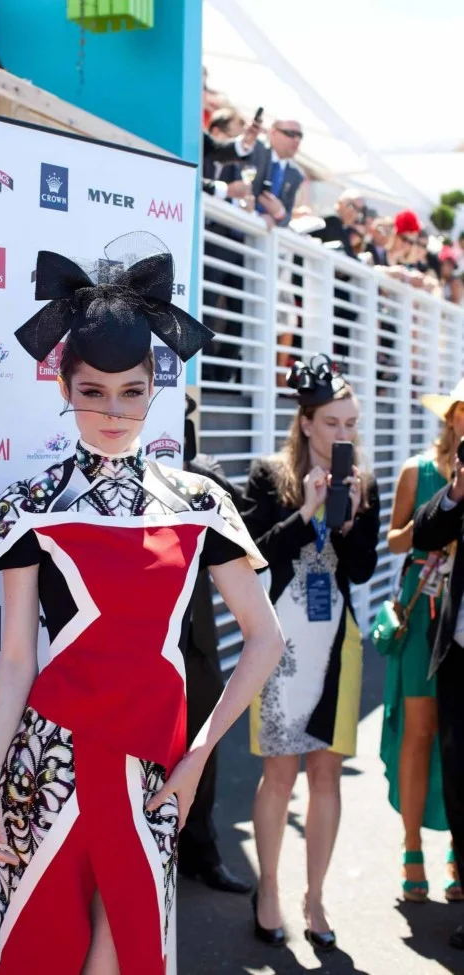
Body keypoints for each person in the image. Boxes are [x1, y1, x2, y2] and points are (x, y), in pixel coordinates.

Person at [0, 233, 284, 974]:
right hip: (49, 767)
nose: (114, 411)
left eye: (132, 391)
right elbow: (16, 660)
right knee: (49, 954)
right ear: (63, 388)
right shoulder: (29, 505)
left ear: (156, 385)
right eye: (93, 392)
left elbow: (263, 638)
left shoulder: (200, 501)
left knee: (126, 955)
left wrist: (200, 755)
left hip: (151, 768)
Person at [243, 355, 380, 952]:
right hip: (280, 642)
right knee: (279, 773)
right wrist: (306, 514)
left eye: (351, 423)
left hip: (335, 643)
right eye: (332, 423)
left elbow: (364, 570)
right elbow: (254, 555)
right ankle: (268, 888)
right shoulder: (270, 477)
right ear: (304, 423)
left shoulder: (363, 483)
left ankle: (316, 896)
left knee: (327, 774)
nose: (344, 434)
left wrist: (347, 525)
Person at [381, 395, 463, 902]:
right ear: (451, 416)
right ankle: (411, 847)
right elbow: (393, 541)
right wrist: (437, 520)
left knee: (459, 740)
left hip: (460, 617)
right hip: (422, 609)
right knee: (420, 732)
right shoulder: (418, 470)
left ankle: (459, 849)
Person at [178, 396, 252, 894]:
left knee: (204, 752)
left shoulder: (202, 476)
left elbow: (249, 521)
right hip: (135, 644)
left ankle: (202, 854)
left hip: (197, 640)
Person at [413, 377, 464, 950]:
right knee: (459, 783)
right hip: (459, 656)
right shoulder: (457, 482)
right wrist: (458, 489)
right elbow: (426, 532)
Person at [238, 119, 305, 228]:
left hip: (261, 237)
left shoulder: (295, 175)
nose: (296, 140)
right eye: (291, 134)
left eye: (300, 136)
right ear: (273, 133)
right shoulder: (255, 150)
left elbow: (286, 217)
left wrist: (279, 213)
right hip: (235, 223)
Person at [309, 189, 365, 256]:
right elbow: (346, 252)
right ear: (340, 203)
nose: (355, 213)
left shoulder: (343, 228)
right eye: (353, 206)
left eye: (359, 210)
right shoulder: (331, 221)